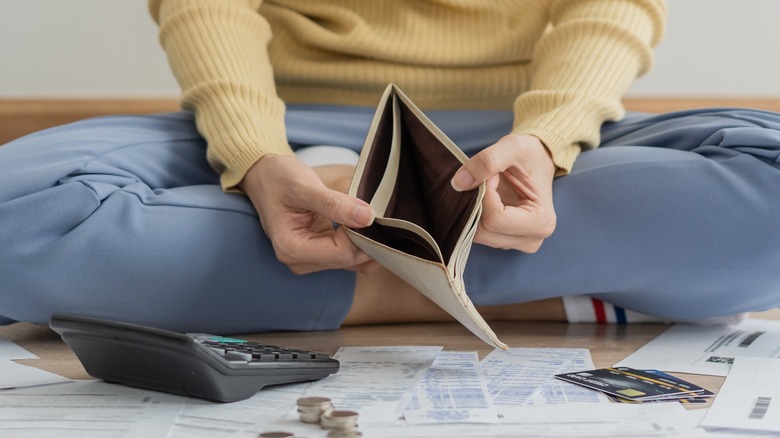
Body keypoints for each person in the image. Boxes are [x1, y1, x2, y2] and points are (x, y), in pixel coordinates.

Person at [0, 0, 778, 332]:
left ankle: (355, 274)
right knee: (14, 217)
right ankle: (556, 293)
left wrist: (548, 141)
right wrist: (256, 156)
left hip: (511, 131)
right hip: (285, 119)